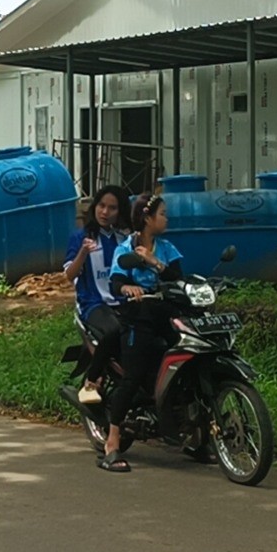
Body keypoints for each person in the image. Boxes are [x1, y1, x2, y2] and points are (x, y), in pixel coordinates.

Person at [97, 192, 184, 473]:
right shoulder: (125, 250)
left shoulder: (167, 248)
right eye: (162, 214)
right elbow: (116, 283)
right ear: (148, 219)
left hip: (165, 315)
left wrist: (155, 263)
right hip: (138, 318)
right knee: (132, 376)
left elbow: (178, 279)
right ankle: (112, 442)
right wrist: (127, 289)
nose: (166, 219)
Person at [62, 186, 131, 405]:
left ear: (120, 212)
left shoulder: (124, 240)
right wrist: (83, 253)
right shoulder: (81, 238)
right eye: (101, 206)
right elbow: (69, 275)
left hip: (122, 302)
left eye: (112, 208)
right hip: (93, 304)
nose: (105, 212)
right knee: (114, 331)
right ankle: (92, 380)